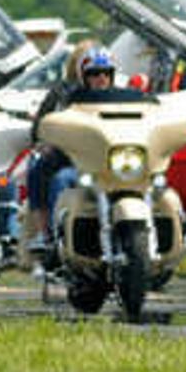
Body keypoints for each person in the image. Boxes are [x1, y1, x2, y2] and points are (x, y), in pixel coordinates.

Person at [23, 45, 127, 244]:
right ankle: (52, 238)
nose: (101, 78)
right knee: (58, 178)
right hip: (80, 165)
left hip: (118, 165)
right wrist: (50, 141)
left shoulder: (124, 100)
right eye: (94, 73)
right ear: (83, 75)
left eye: (106, 73)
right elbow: (43, 126)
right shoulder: (69, 100)